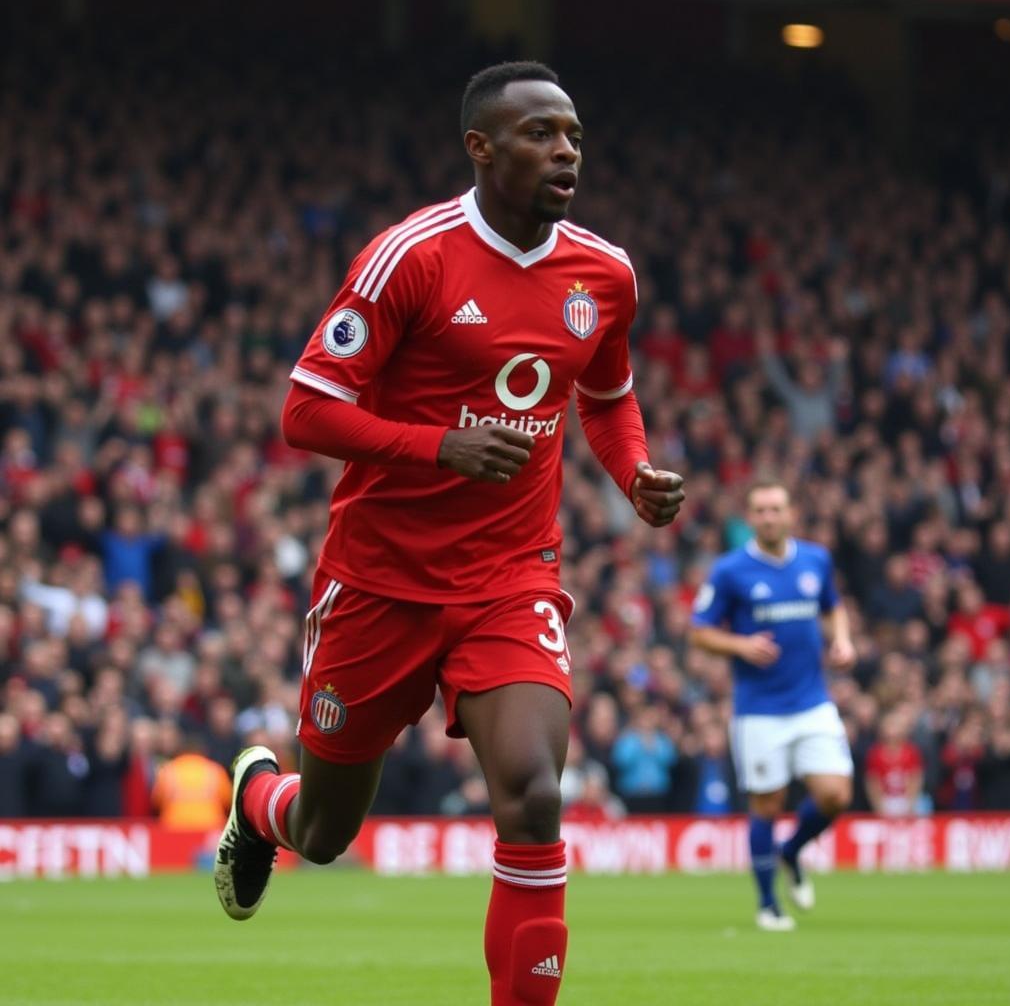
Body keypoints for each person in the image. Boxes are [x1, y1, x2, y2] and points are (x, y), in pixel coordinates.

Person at [212, 61, 684, 1006]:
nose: (565, 152)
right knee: (325, 833)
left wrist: (632, 472)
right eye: (542, 134)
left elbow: (607, 395)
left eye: (575, 137)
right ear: (481, 148)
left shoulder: (605, 273)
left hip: (510, 577)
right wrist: (439, 448)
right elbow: (306, 410)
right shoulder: (411, 257)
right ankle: (259, 804)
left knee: (536, 797)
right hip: (380, 581)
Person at [689, 480, 854, 931]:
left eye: (775, 509)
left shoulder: (816, 560)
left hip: (812, 701)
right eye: (759, 510)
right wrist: (740, 645)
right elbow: (699, 630)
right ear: (749, 517)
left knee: (835, 794)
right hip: (759, 709)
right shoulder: (729, 570)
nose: (768, 517)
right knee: (767, 805)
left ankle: (792, 850)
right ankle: (768, 905)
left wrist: (841, 639)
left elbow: (833, 607)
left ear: (790, 513)